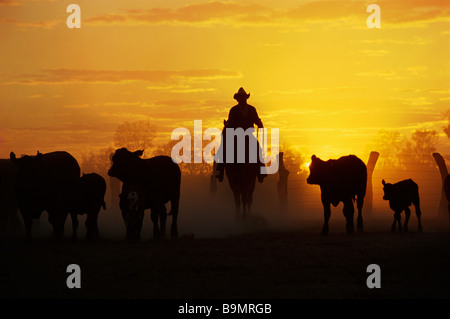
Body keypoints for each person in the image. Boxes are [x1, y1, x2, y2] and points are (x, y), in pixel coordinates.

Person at [216, 87, 266, 183]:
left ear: (246, 98)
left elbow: (257, 120)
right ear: (238, 99)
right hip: (236, 136)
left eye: (243, 97)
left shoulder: (252, 109)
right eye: (240, 97)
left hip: (249, 136)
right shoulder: (233, 110)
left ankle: (261, 172)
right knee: (225, 150)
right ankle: (221, 170)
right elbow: (230, 123)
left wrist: (260, 124)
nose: (242, 99)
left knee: (258, 149)